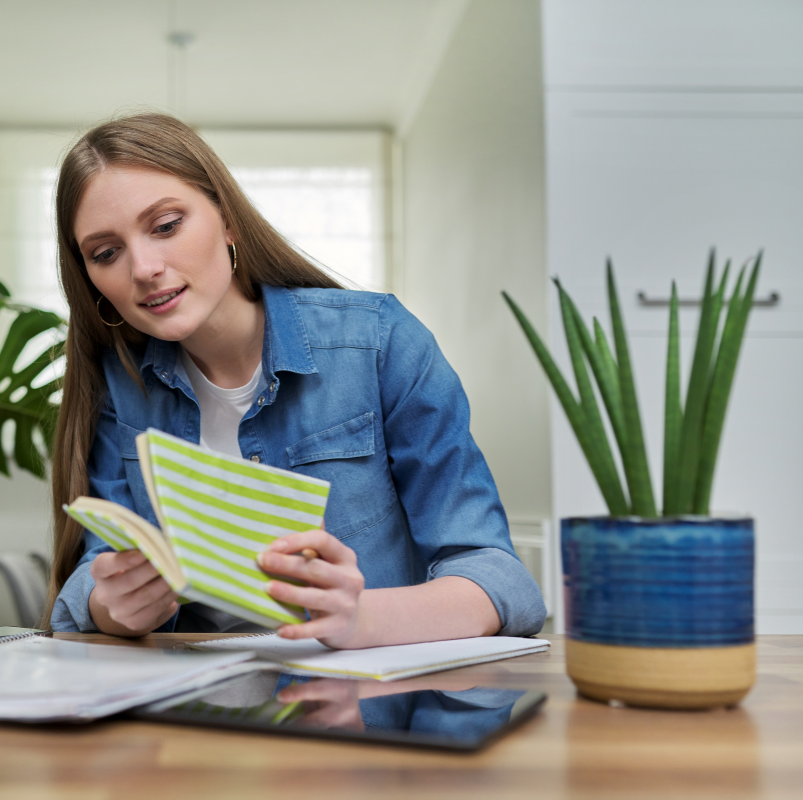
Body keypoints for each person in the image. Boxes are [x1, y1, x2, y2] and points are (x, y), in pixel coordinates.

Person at [46, 113, 546, 646]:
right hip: (191, 710)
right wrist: (115, 606)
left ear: (228, 218)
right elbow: (94, 579)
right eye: (106, 253)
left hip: (361, 711)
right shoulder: (120, 386)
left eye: (166, 226)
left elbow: (497, 578)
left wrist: (360, 619)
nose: (143, 268)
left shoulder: (379, 342)